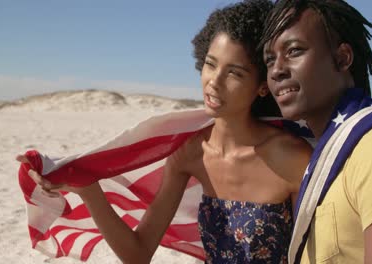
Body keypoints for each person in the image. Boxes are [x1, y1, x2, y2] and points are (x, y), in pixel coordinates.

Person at [17, 0, 312, 263]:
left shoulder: (292, 157)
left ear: (263, 85)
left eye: (234, 73)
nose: (214, 81)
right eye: (210, 65)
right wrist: (89, 190)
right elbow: (138, 252)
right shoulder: (190, 152)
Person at [260, 0, 372, 263]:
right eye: (269, 60)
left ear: (342, 58)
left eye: (294, 51)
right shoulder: (327, 149)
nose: (277, 69)